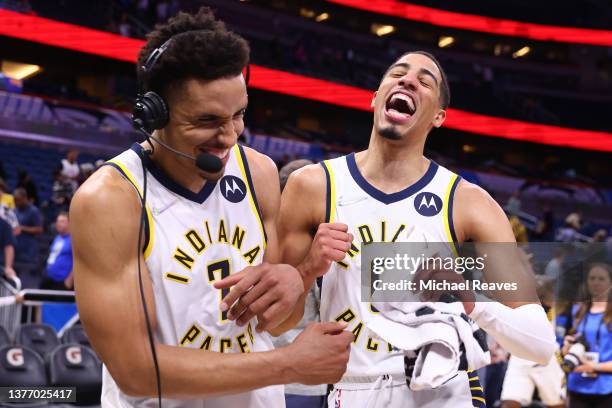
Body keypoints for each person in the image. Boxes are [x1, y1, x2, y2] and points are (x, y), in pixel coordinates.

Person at [70, 8, 352, 408]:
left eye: (238, 115)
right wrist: (287, 365)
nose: (228, 136)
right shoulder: (112, 200)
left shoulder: (258, 172)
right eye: (207, 121)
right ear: (155, 113)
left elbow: (272, 321)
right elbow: (136, 371)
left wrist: (299, 276)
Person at [245, 51, 555, 407]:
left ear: (438, 117)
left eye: (425, 82)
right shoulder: (312, 185)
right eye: (398, 73)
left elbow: (541, 344)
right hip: (351, 387)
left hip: (442, 391)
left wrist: (472, 300)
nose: (408, 81)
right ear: (376, 97)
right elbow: (276, 323)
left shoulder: (469, 202)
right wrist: (306, 270)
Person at [500, 275, 565, 408]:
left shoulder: (554, 306)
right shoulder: (518, 301)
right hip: (520, 356)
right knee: (509, 401)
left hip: (546, 358)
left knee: (556, 403)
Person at [562, 263, 612, 408]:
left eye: (601, 279)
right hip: (577, 384)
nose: (596, 282)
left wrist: (594, 367)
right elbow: (565, 352)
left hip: (606, 386)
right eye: (592, 278)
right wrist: (567, 346)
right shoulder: (577, 311)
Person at [40, 212, 73, 290]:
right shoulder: (57, 237)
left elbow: (78, 261)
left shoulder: (74, 239)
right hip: (48, 278)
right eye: (57, 221)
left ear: (70, 223)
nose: (58, 224)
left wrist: (70, 280)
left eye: (62, 221)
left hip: (62, 282)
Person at [13, 187, 43, 264]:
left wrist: (22, 228)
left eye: (18, 200)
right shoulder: (15, 210)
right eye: (15, 200)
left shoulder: (33, 211)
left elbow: (39, 229)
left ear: (25, 198)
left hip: (29, 250)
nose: (16, 202)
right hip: (16, 248)